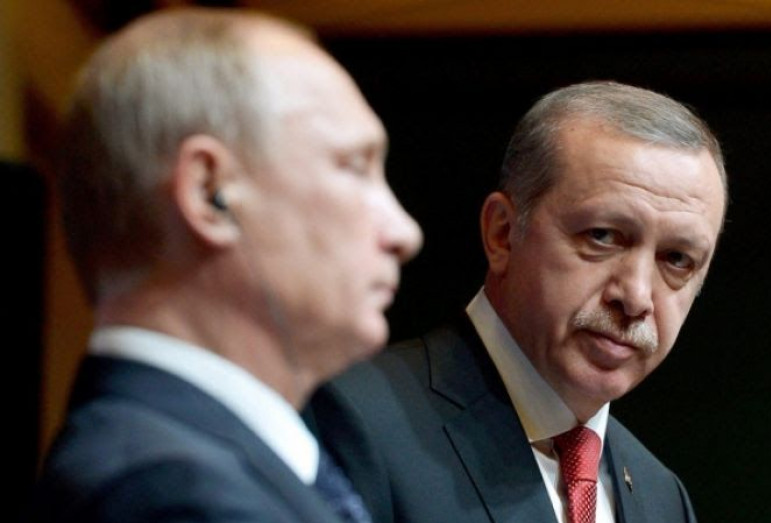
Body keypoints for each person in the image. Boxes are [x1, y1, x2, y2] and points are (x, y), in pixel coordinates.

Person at [32, 7, 422, 523]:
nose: (405, 233)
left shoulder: (200, 465)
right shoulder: (173, 497)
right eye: (355, 166)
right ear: (209, 193)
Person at [310, 81, 726, 523]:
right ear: (503, 234)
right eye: (602, 236)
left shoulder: (663, 498)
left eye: (677, 259)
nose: (637, 296)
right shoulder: (352, 420)